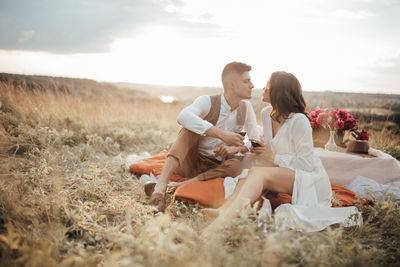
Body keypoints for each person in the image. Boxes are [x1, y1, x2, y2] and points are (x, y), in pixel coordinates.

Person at [202, 71, 360, 235]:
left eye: (268, 86)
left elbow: (307, 164)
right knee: (253, 171)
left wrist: (273, 157)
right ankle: (224, 209)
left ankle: (225, 220)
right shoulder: (266, 114)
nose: (263, 88)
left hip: (307, 176)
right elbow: (268, 146)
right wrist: (259, 149)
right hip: (283, 169)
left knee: (259, 174)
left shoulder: (299, 121)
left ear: (279, 92)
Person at [146, 62, 260, 213]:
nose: (252, 85)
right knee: (188, 129)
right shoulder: (207, 101)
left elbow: (255, 141)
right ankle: (160, 188)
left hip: (217, 167)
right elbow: (183, 116)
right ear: (232, 84)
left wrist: (236, 148)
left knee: (236, 166)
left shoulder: (246, 108)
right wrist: (222, 134)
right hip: (191, 162)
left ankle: (181, 185)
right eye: (246, 81)